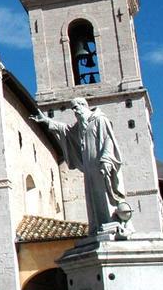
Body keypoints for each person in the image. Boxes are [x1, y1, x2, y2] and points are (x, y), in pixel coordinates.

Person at [32, 97, 134, 235]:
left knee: (105, 194)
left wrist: (106, 159)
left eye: (76, 107)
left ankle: (112, 224)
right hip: (89, 168)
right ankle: (98, 226)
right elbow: (66, 130)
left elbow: (108, 139)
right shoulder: (81, 126)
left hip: (101, 164)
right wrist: (47, 121)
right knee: (92, 197)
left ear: (84, 105)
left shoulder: (99, 119)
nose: (75, 111)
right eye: (73, 108)